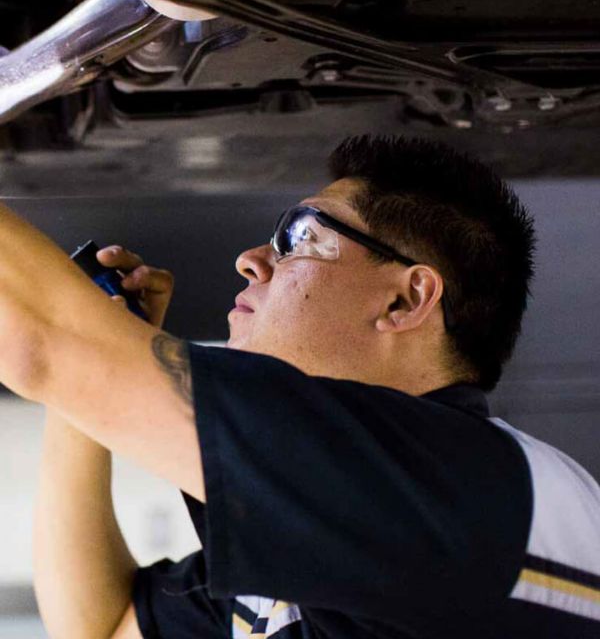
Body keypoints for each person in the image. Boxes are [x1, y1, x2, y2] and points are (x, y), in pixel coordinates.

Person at [0, 134, 596, 639]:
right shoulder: (374, 511)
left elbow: (40, 340)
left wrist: (86, 347)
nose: (252, 260)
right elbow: (101, 625)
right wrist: (88, 365)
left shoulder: (452, 485)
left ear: (405, 299)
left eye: (300, 238)